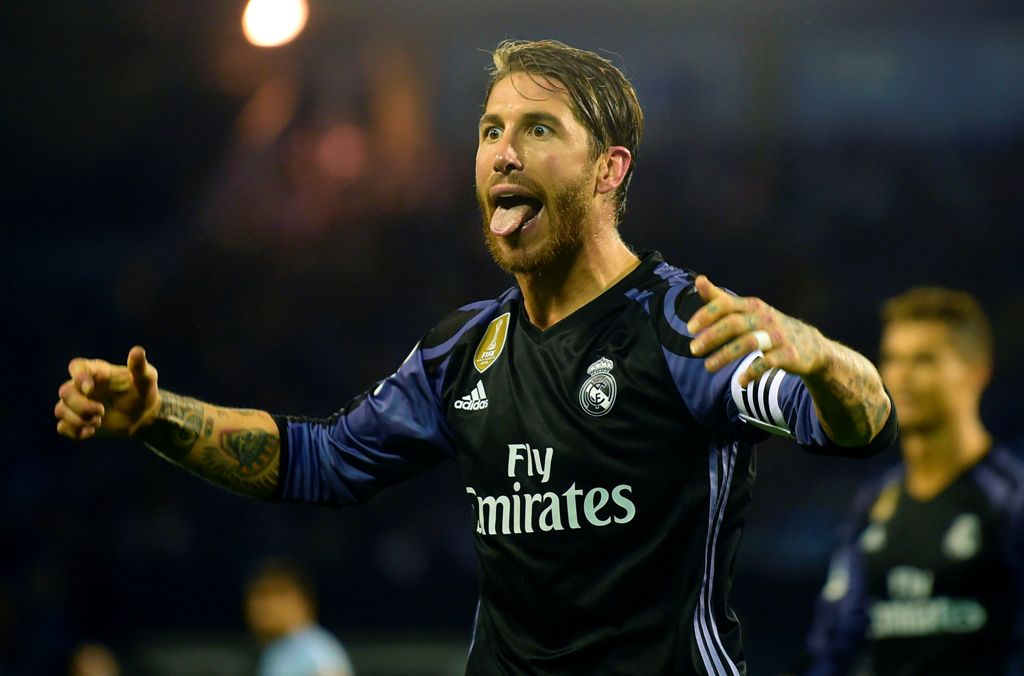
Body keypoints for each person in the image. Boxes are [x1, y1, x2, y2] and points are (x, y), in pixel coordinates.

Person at [54, 39, 896, 675]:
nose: (502, 151)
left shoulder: (683, 326)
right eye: (491, 129)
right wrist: (157, 417)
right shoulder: (465, 349)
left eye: (537, 128)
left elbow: (857, 423)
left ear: (609, 170)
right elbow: (322, 459)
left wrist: (823, 360)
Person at [800, 288, 1024, 675]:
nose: (901, 376)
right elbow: (832, 644)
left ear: (977, 371)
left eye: (924, 360)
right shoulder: (874, 502)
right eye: (892, 359)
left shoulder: (1010, 499)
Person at [245, 558, 354, 676]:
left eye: (279, 593)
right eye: (259, 595)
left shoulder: (315, 651)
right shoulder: (278, 651)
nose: (266, 605)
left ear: (304, 601)